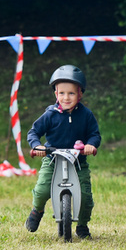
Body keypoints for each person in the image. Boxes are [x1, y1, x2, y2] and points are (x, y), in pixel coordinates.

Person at [25, 65, 101, 239]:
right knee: (43, 189)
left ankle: (82, 225)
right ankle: (37, 210)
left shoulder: (86, 115)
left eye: (71, 93)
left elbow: (94, 134)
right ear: (55, 94)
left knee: (85, 196)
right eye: (62, 93)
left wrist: (90, 145)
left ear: (80, 94)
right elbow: (33, 132)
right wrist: (38, 146)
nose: (66, 98)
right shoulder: (50, 115)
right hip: (52, 160)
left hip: (78, 162)